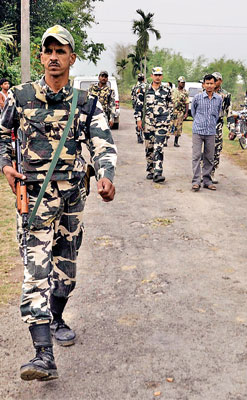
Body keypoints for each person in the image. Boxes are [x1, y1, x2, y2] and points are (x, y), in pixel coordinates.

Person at [0, 25, 117, 381]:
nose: (53, 56)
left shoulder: (85, 102)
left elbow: (102, 141)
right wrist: (5, 164)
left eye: (60, 50)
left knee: (66, 269)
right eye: (47, 50)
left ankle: (58, 316)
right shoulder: (19, 97)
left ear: (71, 58)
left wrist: (106, 174)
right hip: (33, 200)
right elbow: (3, 135)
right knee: (36, 272)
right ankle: (42, 354)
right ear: (41, 57)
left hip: (72, 198)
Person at [134, 66, 173, 183]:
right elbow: (138, 106)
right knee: (149, 147)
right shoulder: (144, 89)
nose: (158, 77)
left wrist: (169, 120)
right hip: (148, 123)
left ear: (162, 76)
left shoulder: (167, 90)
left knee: (159, 147)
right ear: (151, 76)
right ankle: (150, 169)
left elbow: (170, 106)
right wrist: (138, 120)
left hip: (162, 123)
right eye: (155, 75)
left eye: (160, 75)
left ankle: (158, 172)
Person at [191, 74, 222, 192]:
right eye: (207, 83)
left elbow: (218, 114)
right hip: (198, 131)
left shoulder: (218, 99)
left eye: (211, 83)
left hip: (211, 132)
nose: (209, 86)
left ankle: (207, 181)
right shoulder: (197, 98)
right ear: (203, 85)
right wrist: (200, 122)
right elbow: (193, 112)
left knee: (209, 157)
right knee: (196, 156)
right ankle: (196, 182)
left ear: (215, 85)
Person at [211, 71, 235, 183]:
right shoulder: (205, 92)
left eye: (217, 80)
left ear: (221, 81)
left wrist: (232, 129)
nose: (214, 82)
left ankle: (211, 173)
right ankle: (202, 172)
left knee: (216, 149)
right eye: (213, 79)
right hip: (205, 124)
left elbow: (229, 113)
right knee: (204, 148)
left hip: (218, 124)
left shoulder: (225, 95)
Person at [167, 76, 189, 148]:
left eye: (184, 83)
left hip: (180, 112)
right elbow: (168, 100)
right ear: (178, 82)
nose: (183, 84)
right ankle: (165, 141)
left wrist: (186, 113)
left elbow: (187, 102)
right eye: (181, 82)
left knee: (178, 127)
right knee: (169, 126)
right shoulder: (173, 91)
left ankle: (176, 142)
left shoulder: (185, 92)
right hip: (172, 111)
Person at [131, 73, 145, 143]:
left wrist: (134, 105)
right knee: (144, 121)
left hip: (137, 106)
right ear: (143, 78)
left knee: (138, 121)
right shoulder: (145, 86)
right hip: (144, 106)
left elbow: (132, 97)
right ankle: (142, 135)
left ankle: (139, 136)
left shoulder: (134, 87)